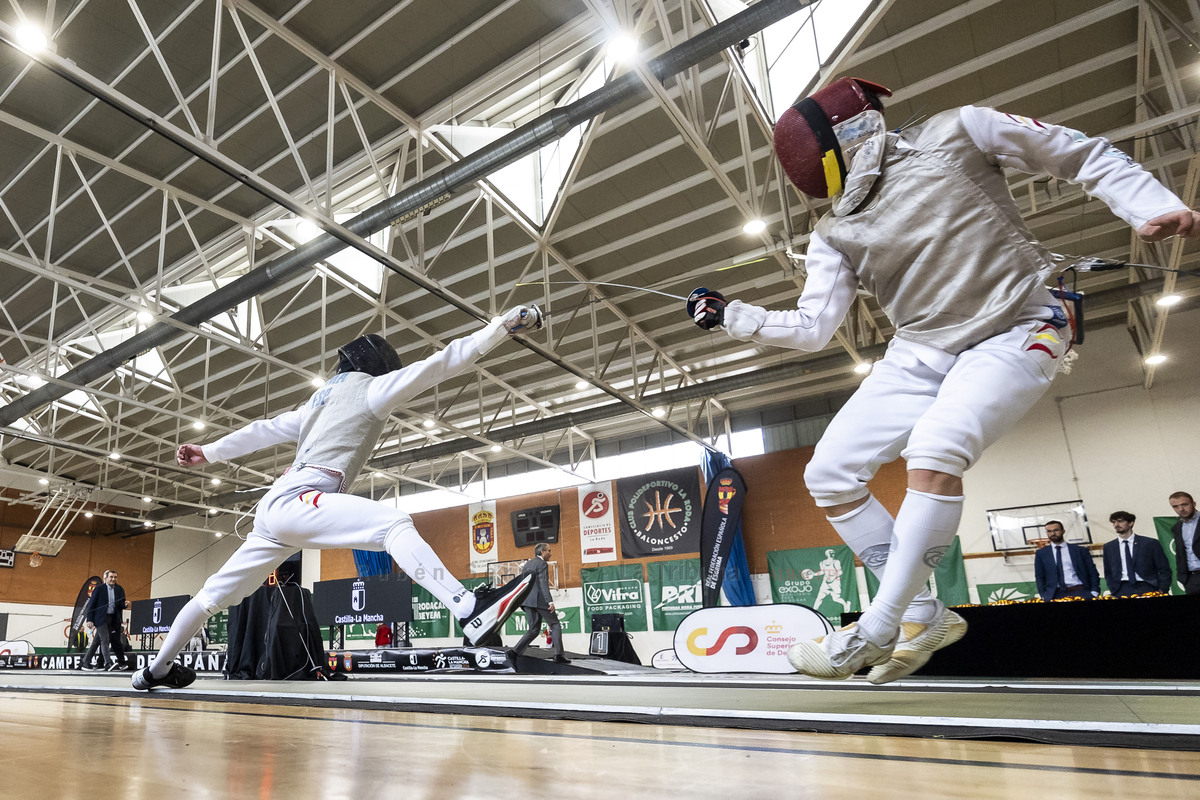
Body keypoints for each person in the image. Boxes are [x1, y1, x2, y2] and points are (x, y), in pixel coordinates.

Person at [687, 77, 1200, 683]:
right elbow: (812, 326)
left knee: (933, 451)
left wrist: (1148, 203)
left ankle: (878, 627)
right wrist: (735, 316)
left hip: (1018, 324)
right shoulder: (833, 231)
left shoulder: (960, 129)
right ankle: (925, 612)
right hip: (921, 350)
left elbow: (1077, 151)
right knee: (828, 473)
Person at [133, 307, 544, 691]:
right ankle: (468, 608)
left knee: (211, 597)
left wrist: (209, 451)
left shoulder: (317, 401)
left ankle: (154, 671)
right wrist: (502, 326)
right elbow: (443, 362)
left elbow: (263, 428)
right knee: (394, 524)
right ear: (379, 367)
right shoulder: (372, 389)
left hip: (277, 510)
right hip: (301, 498)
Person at [510, 543, 568, 664]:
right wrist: (550, 601)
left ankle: (514, 652)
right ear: (542, 551)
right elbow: (543, 584)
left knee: (533, 630)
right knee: (555, 624)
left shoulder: (528, 564)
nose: (550, 553)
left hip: (526, 601)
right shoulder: (542, 564)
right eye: (549, 551)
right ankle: (558, 655)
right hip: (540, 600)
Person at [1102, 511, 1172, 597]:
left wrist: (1163, 589)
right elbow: (1108, 571)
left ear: (1131, 523)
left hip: (1147, 585)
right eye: (1114, 522)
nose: (1116, 524)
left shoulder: (1150, 543)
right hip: (1121, 588)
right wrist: (1113, 588)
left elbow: (1164, 568)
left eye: (1120, 521)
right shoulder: (1109, 547)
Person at [1034, 520, 1101, 601]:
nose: (1052, 533)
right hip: (1054, 594)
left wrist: (1094, 591)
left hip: (1080, 590)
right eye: (1049, 531)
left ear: (1063, 531)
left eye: (1056, 530)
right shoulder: (1041, 553)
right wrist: (1043, 595)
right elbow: (1039, 576)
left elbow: (1092, 572)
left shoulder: (1080, 550)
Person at [1170, 491, 1200, 594]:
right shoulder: (1177, 527)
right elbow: (1180, 553)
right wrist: (1183, 578)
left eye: (1184, 504)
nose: (1181, 509)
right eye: (1175, 506)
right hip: (1191, 578)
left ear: (1194, 503)